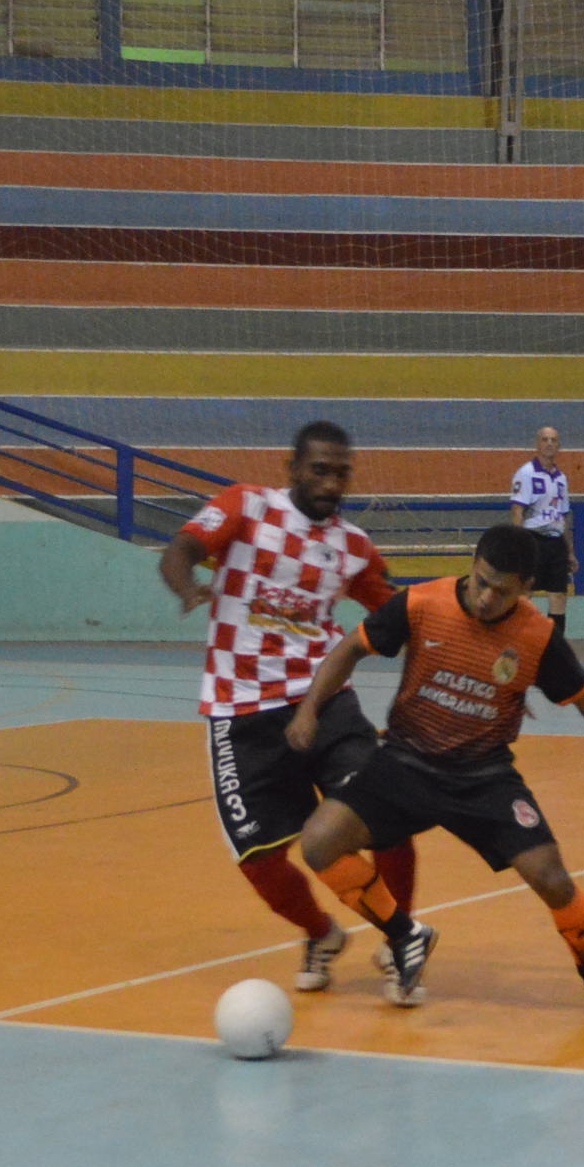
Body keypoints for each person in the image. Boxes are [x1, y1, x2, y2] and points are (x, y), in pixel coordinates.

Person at [283, 524, 584, 1022]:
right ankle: (405, 934)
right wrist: (307, 711)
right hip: (406, 762)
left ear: (526, 588)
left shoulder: (537, 636)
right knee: (319, 842)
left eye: (502, 589)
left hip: (483, 776)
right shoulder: (422, 603)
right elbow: (349, 649)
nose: (487, 596)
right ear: (472, 565)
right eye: (481, 581)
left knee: (552, 879)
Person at [159, 420, 421, 998]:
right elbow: (180, 550)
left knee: (387, 817)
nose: (331, 482)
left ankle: (402, 940)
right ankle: (322, 933)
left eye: (341, 472)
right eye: (319, 469)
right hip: (240, 707)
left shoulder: (353, 548)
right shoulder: (247, 508)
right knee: (258, 857)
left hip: (324, 699)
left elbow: (402, 616)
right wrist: (188, 588)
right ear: (292, 467)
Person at [509, 426, 574, 640]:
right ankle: (520, 642)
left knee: (559, 596)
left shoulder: (561, 478)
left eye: (554, 440)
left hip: (555, 543)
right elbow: (518, 510)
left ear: (559, 446)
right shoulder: (526, 473)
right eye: (545, 439)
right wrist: (519, 546)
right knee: (526, 594)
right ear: (537, 444)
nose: (549, 443)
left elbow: (564, 516)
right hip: (532, 540)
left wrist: (570, 552)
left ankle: (554, 647)